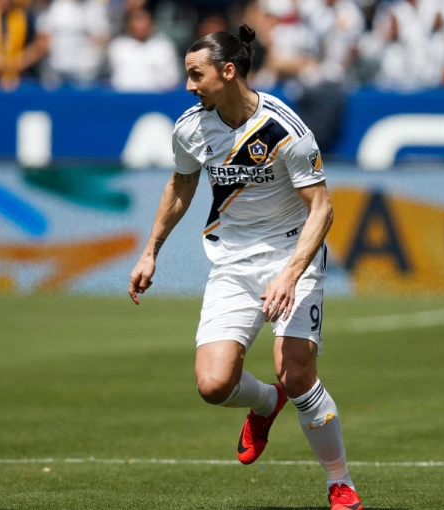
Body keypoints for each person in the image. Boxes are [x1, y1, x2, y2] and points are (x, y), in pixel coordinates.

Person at [128, 26, 362, 510]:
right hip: (232, 261)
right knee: (214, 385)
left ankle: (339, 483)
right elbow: (181, 186)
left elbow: (322, 210)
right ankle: (265, 403)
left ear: (228, 71)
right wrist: (151, 250)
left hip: (292, 253)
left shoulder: (285, 128)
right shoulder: (191, 127)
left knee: (295, 372)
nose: (189, 85)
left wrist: (290, 274)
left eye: (197, 75)